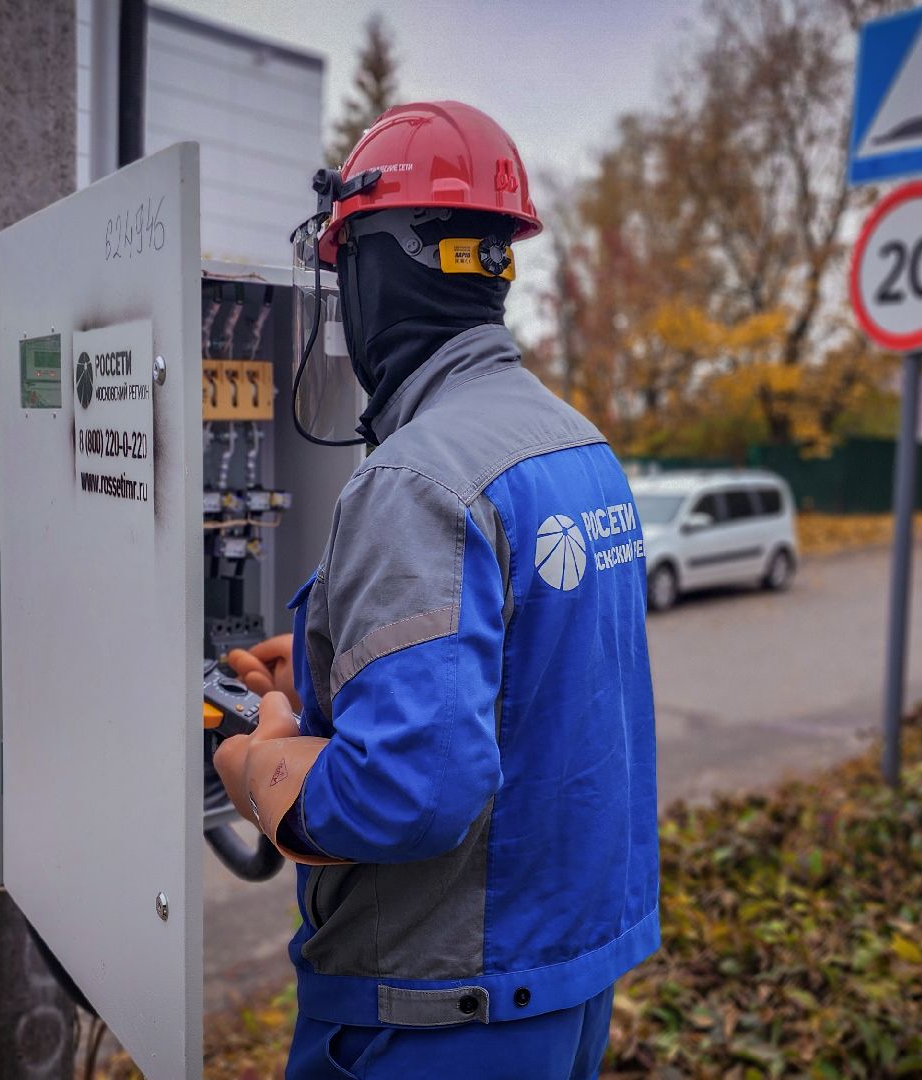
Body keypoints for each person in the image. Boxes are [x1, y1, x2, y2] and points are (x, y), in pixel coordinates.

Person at [214, 101, 658, 1080]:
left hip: (435, 1020)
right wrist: (324, 680)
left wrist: (257, 766)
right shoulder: (577, 446)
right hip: (564, 991)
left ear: (370, 270)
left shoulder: (415, 477)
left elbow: (407, 793)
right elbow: (531, 690)